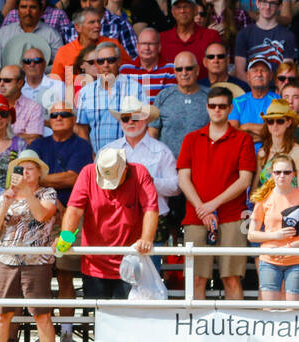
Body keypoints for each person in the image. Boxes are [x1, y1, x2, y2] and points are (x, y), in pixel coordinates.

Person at [0, 149, 60, 342]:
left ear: (39, 172)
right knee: (2, 315)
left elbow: (42, 216)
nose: (25, 172)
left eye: (30, 168)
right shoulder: (6, 195)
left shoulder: (48, 193)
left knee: (42, 315)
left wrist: (26, 193)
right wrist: (6, 201)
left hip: (37, 261)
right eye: (21, 168)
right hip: (7, 260)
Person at [177, 86, 257, 301]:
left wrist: (211, 205)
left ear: (230, 108)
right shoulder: (191, 139)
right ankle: (196, 332)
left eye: (222, 106)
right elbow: (183, 179)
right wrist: (203, 209)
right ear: (207, 107)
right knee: (196, 278)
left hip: (231, 216)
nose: (217, 110)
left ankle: (236, 332)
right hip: (196, 216)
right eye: (213, 106)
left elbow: (245, 181)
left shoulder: (243, 140)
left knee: (231, 278)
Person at [57, 146, 159, 300]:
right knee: (97, 316)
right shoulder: (87, 173)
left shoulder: (140, 173)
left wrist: (147, 239)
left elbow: (151, 208)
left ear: (125, 169)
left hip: (130, 262)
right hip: (95, 263)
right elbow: (74, 209)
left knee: (127, 316)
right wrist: (66, 237)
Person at [29, 102, 93, 342]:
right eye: (54, 115)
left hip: (70, 218)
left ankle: (66, 332)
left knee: (66, 275)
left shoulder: (82, 146)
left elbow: (74, 178)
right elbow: (28, 179)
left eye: (64, 114)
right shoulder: (38, 145)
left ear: (73, 119)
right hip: (38, 218)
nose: (58, 118)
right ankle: (45, 335)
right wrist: (53, 193)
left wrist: (42, 180)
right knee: (40, 277)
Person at [102, 100, 179, 265]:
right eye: (125, 118)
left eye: (135, 118)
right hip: (117, 220)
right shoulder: (108, 151)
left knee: (150, 276)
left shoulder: (162, 150)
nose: (130, 122)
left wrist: (149, 182)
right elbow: (99, 186)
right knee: (117, 275)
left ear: (145, 119)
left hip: (153, 220)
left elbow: (175, 187)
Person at [248, 154, 299, 301]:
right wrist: (276, 236)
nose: (282, 176)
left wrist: (290, 246)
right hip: (269, 260)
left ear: (293, 174)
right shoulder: (264, 198)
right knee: (269, 311)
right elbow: (251, 235)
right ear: (272, 174)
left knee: (293, 312)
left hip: (296, 260)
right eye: (277, 172)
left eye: (286, 172)